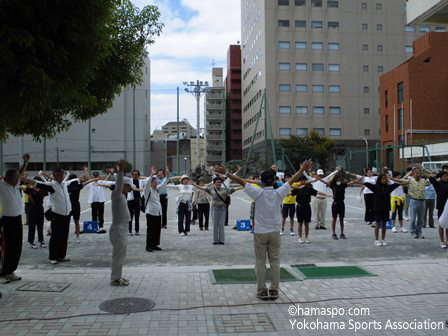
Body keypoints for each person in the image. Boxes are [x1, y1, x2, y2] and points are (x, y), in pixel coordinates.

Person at [214, 160, 312, 301]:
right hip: (275, 232)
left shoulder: (257, 192)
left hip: (260, 232)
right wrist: (302, 168)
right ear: (273, 181)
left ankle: (262, 291)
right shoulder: (279, 192)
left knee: (260, 262)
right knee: (275, 262)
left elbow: (240, 181)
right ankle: (274, 290)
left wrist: (226, 173)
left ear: (261, 181)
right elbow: (292, 180)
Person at [31, 168, 76, 265]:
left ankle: (61, 255)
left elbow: (75, 181)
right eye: (58, 175)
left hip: (66, 215)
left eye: (61, 175)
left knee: (64, 236)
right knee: (55, 236)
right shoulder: (51, 185)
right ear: (54, 175)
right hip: (57, 215)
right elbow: (38, 183)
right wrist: (25, 180)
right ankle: (53, 256)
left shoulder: (64, 184)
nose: (60, 176)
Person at [0, 154, 30, 283]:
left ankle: (11, 271)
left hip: (17, 219)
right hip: (6, 220)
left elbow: (21, 171)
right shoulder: (2, 186)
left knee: (16, 247)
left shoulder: (15, 184)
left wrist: (26, 162)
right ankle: (4, 272)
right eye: (16, 176)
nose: (19, 178)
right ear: (8, 177)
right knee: (7, 247)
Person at [355, 174, 401, 246]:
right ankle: (376, 240)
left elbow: (402, 183)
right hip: (377, 209)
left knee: (384, 225)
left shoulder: (389, 187)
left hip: (385, 209)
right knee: (377, 224)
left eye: (385, 179)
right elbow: (364, 183)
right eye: (382, 179)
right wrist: (356, 181)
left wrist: (392, 179)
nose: (384, 180)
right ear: (379, 179)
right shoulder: (375, 187)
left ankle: (383, 240)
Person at [192, 176, 240, 245]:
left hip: (222, 208)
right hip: (214, 208)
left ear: (221, 183)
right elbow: (202, 188)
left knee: (221, 224)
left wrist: (244, 186)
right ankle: (215, 240)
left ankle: (222, 240)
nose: (218, 183)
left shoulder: (225, 189)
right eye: (216, 182)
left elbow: (234, 189)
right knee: (215, 224)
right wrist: (193, 184)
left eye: (219, 182)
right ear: (214, 183)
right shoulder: (211, 189)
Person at [109, 160, 134, 286]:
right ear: (124, 185)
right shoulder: (117, 195)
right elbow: (118, 185)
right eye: (128, 186)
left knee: (120, 255)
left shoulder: (123, 196)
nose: (130, 189)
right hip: (118, 228)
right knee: (118, 255)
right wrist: (120, 171)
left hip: (122, 228)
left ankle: (117, 276)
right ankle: (115, 278)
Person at [293, 176, 329, 243]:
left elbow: (317, 192)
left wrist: (326, 194)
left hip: (307, 206)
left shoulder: (309, 188)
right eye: (301, 180)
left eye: (304, 180)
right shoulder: (297, 188)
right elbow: (290, 191)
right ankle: (300, 238)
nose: (303, 181)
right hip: (299, 206)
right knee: (300, 223)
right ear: (299, 181)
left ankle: (306, 238)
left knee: (306, 223)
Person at [143, 168, 170, 252]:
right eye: (155, 183)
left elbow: (164, 183)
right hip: (150, 213)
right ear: (151, 183)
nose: (156, 184)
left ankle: (155, 245)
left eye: (157, 183)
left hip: (158, 213)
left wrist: (168, 175)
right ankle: (148, 246)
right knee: (150, 230)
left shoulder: (156, 190)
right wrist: (152, 174)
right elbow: (147, 184)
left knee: (157, 230)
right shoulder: (147, 191)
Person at [67, 171, 98, 243]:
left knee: (73, 222)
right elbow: (87, 182)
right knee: (76, 222)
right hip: (73, 205)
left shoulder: (69, 186)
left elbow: (86, 182)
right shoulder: (75, 186)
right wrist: (93, 179)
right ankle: (77, 237)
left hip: (70, 205)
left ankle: (74, 237)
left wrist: (93, 179)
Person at [401, 168, 430, 239]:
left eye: (419, 173)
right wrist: (409, 173)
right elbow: (401, 180)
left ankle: (419, 231)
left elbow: (430, 178)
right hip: (414, 201)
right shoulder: (410, 181)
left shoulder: (423, 181)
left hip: (422, 201)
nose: (418, 174)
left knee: (421, 219)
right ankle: (413, 231)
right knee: (413, 218)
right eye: (416, 173)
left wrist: (423, 172)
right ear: (413, 174)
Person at [24, 177, 49, 248]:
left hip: (40, 208)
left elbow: (47, 190)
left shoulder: (42, 190)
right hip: (32, 208)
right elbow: (22, 186)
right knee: (32, 226)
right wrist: (27, 183)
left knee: (40, 225)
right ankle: (31, 242)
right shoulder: (29, 189)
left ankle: (41, 241)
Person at [329, 172, 355, 240]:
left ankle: (342, 233)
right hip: (335, 203)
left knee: (341, 219)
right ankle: (334, 233)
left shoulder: (343, 185)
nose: (338, 181)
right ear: (335, 180)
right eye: (337, 180)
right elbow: (327, 182)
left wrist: (355, 181)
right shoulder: (333, 185)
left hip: (341, 203)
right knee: (334, 218)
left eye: (340, 180)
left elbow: (349, 183)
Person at [429, 171, 448, 248]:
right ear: (441, 177)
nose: (447, 177)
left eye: (447, 176)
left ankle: (447, 240)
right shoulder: (438, 184)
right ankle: (442, 241)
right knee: (441, 224)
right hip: (441, 206)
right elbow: (431, 178)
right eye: (445, 176)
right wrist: (435, 175)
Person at [127, 169, 143, 236]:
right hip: (130, 200)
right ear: (132, 175)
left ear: (138, 175)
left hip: (138, 200)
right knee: (130, 216)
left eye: (136, 174)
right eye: (133, 174)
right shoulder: (129, 181)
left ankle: (137, 230)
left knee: (137, 216)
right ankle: (129, 231)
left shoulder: (141, 182)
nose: (135, 175)